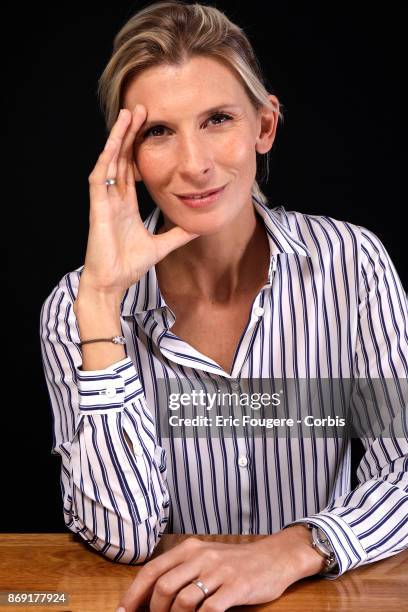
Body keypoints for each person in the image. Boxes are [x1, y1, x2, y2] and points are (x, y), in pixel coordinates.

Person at [40, 1, 408, 610]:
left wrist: (292, 550)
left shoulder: (352, 264)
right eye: (159, 132)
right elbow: (124, 538)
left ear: (264, 127)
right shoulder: (76, 309)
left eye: (217, 120)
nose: (195, 164)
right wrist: (102, 304)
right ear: (127, 156)